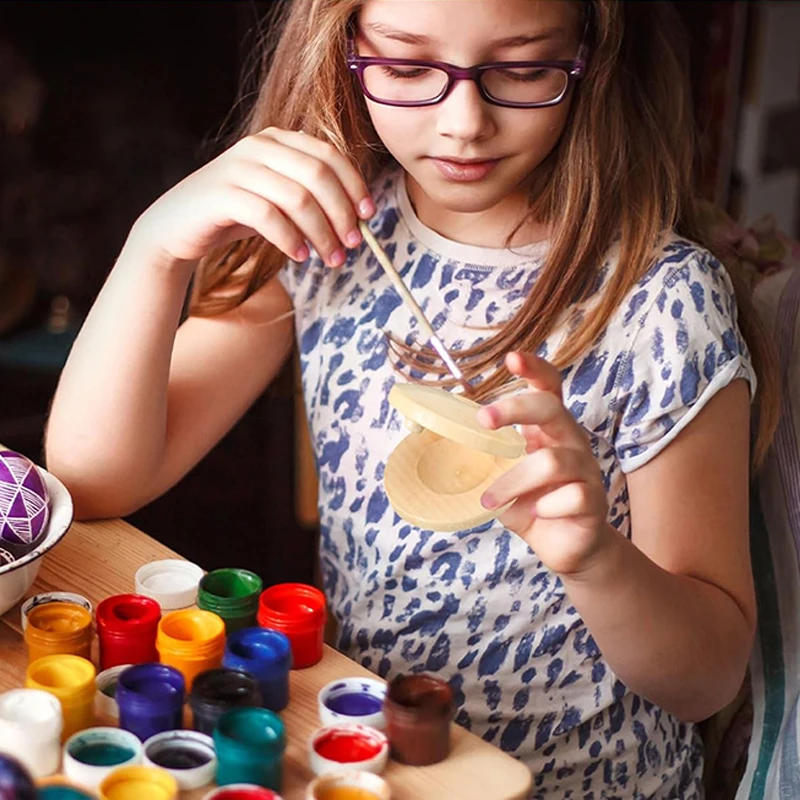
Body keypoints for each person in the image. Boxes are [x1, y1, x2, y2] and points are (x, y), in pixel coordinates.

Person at [44, 1, 780, 796]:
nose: (464, 123)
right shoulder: (329, 235)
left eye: (522, 69)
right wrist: (155, 248)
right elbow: (93, 478)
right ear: (343, 49)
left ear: (590, 57)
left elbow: (707, 681)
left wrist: (598, 561)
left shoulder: (663, 302)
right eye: (405, 67)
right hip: (376, 771)